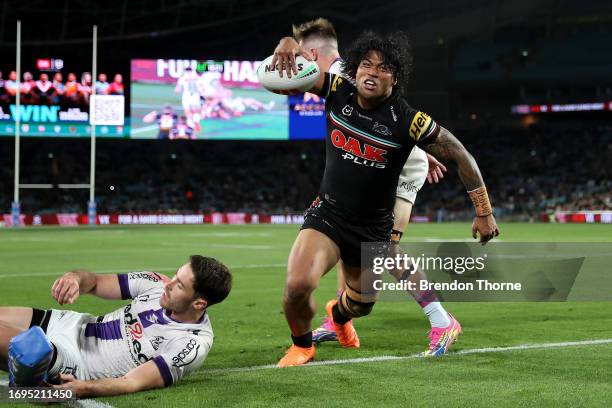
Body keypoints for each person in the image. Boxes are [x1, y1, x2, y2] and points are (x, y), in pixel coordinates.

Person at [269, 30, 500, 367]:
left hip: (373, 227)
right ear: (355, 68)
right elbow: (286, 78)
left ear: (396, 77)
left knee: (360, 305)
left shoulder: (409, 121)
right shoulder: (336, 90)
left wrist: (484, 211)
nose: (372, 73)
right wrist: (286, 45)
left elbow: (461, 155)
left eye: (383, 68)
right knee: (297, 285)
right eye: (366, 65)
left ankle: (340, 316)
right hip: (329, 215)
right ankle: (302, 345)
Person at [284, 19, 453, 350]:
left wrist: (417, 154)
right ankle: (337, 320)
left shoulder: (348, 75)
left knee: (383, 247)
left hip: (397, 164)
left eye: (302, 55)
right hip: (382, 157)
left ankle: (441, 320)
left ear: (312, 52)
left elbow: (393, 119)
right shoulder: (348, 71)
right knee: (347, 242)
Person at [0, 255, 232, 397]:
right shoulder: (156, 283)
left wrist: (82, 388)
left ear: (199, 303)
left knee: (29, 349)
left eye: (179, 285)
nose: (168, 284)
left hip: (72, 360)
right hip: (70, 323)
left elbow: (132, 382)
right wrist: (75, 278)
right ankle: (24, 377)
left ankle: (27, 377)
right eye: (174, 275)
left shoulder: (190, 344)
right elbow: (95, 281)